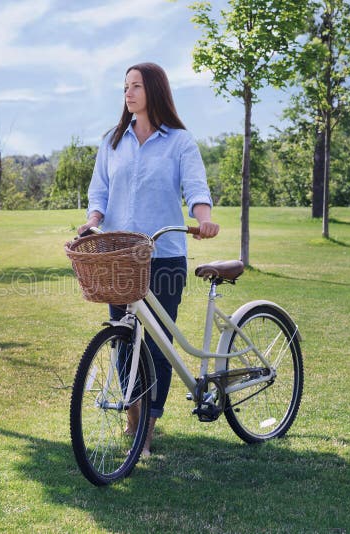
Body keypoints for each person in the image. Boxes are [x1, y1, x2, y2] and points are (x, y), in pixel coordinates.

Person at [77, 62, 219, 457]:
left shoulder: (179, 142)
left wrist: (204, 219)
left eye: (136, 86)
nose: (128, 93)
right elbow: (99, 193)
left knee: (156, 345)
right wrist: (93, 221)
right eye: (126, 86)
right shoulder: (112, 141)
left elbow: (196, 188)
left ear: (154, 90)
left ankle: (148, 427)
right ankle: (133, 417)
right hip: (119, 256)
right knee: (123, 339)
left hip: (163, 256)